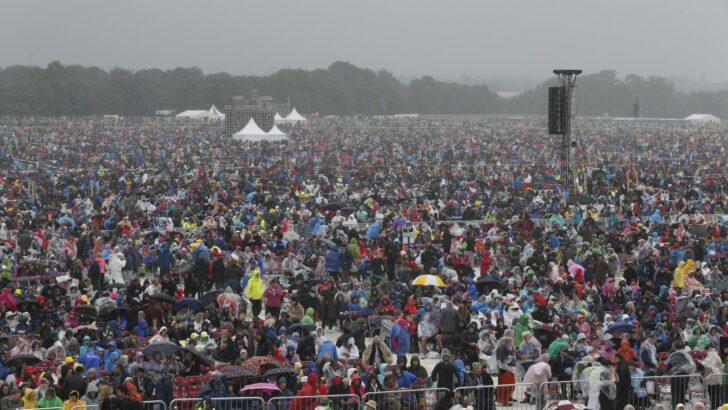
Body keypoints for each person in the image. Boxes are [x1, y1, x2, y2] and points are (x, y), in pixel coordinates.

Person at [494, 336, 517, 405]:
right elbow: (502, 360)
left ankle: (506, 399)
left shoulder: (508, 346)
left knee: (509, 385)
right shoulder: (503, 347)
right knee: (506, 386)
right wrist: (509, 368)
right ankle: (504, 401)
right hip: (505, 370)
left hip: (508, 369)